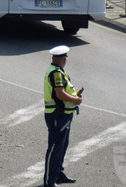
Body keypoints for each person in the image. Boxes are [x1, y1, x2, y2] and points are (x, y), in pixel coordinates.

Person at [44, 45, 83, 186]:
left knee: (62, 146)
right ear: (64, 59)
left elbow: (62, 91)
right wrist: (76, 100)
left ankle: (58, 174)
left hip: (63, 115)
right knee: (55, 147)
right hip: (57, 116)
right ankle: (49, 180)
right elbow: (60, 94)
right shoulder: (56, 73)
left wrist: (73, 96)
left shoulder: (58, 71)